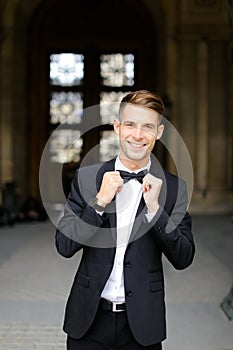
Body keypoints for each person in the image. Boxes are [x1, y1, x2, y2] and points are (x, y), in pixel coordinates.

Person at [55, 90, 195, 349]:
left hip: (142, 324)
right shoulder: (87, 179)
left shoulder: (174, 188)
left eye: (147, 127)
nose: (138, 135)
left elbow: (184, 257)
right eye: (130, 124)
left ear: (159, 132)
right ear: (118, 127)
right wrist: (99, 203)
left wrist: (155, 210)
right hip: (88, 319)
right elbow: (64, 246)